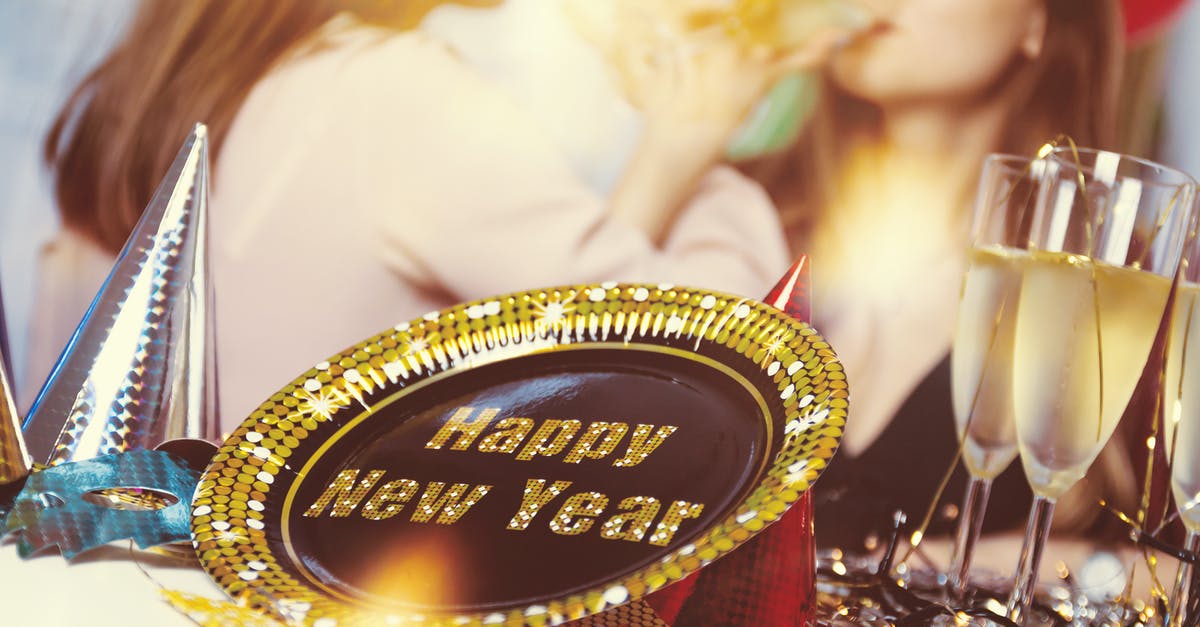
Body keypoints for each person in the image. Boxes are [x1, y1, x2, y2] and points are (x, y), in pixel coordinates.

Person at [27, 0, 858, 433]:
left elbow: (563, 330)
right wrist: (710, 154)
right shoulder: (398, 96)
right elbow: (706, 356)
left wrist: (673, 151)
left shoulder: (261, 86)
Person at [746, 0, 1130, 551]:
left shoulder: (1118, 297)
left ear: (1041, 21)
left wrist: (980, 565)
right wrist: (679, 146)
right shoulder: (733, 213)